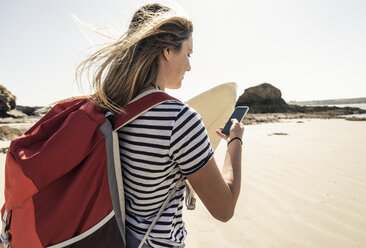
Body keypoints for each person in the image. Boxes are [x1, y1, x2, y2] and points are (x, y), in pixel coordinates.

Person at [76, 3, 244, 248]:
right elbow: (224, 209)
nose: (189, 66)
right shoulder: (179, 119)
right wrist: (235, 143)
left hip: (116, 238)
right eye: (188, 53)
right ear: (167, 49)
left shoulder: (111, 109)